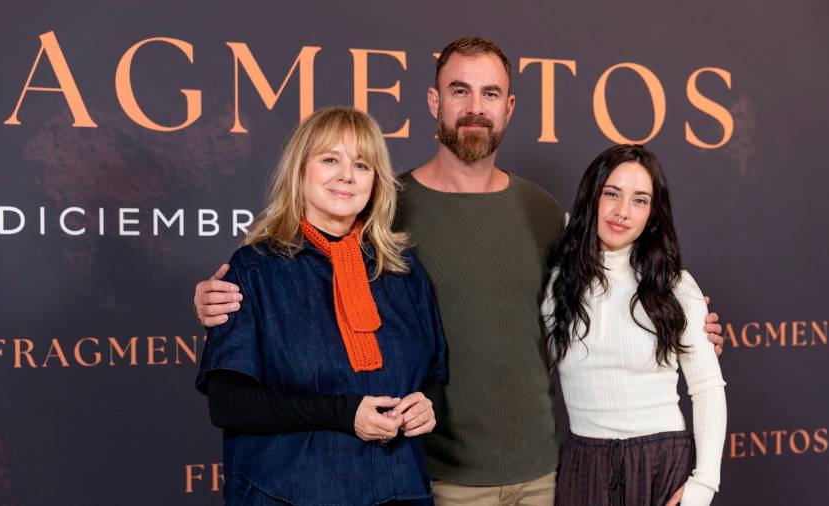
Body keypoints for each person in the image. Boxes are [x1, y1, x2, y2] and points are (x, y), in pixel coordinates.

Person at [194, 37, 725, 506]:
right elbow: (283, 279)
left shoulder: (539, 212)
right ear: (434, 101)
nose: (475, 108)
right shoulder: (385, 208)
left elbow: (604, 282)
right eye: (459, 91)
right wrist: (217, 299)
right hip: (432, 476)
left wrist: (681, 321)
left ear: (510, 106)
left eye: (490, 93)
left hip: (536, 474)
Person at [195, 106, 447, 505]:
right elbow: (229, 405)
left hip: (398, 490)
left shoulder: (405, 271)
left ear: (376, 182)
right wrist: (344, 413)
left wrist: (426, 405)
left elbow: (434, 374)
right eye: (330, 159)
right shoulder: (255, 269)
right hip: (286, 493)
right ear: (300, 171)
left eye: (362, 165)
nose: (347, 175)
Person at [544, 144, 726, 506]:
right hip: (585, 465)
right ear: (592, 197)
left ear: (652, 214)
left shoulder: (675, 285)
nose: (622, 212)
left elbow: (707, 388)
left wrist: (703, 485)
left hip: (662, 464)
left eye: (640, 200)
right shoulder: (557, 283)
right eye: (612, 194)